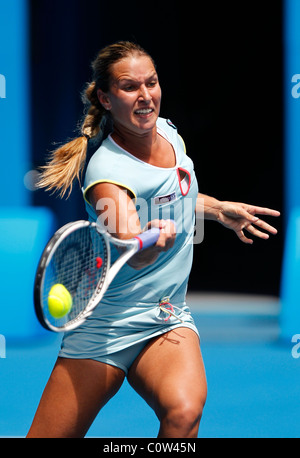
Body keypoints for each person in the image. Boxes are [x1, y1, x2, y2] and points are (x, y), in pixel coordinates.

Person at [27, 41, 280, 438]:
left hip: (165, 317)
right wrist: (152, 243)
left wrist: (216, 209)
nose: (145, 96)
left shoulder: (168, 131)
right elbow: (131, 247)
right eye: (130, 87)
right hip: (104, 328)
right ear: (105, 99)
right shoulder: (108, 175)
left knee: (183, 413)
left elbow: (176, 194)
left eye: (152, 83)